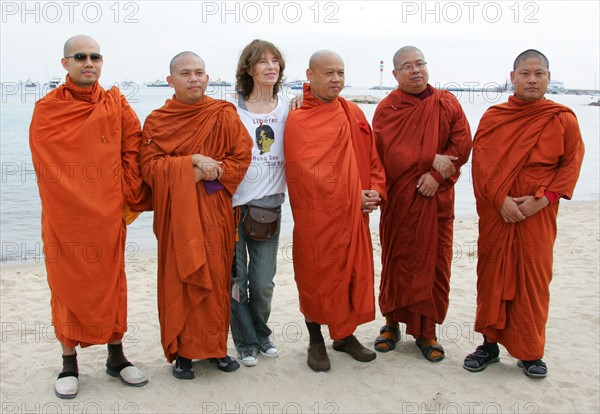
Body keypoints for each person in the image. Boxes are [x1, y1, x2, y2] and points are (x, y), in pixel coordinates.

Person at [29, 34, 152, 399]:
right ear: (64, 63)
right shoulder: (48, 109)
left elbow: (135, 147)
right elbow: (46, 166)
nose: (89, 62)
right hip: (64, 217)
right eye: (80, 56)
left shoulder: (116, 103)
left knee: (112, 285)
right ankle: (69, 363)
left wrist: (124, 196)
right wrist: (71, 201)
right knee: (66, 286)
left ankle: (116, 357)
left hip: (107, 213)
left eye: (95, 57)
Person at [464, 49, 584, 378]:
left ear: (548, 77)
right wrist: (500, 199)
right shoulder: (494, 116)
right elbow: (481, 166)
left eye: (539, 73)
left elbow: (570, 166)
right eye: (525, 73)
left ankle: (530, 352)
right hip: (497, 211)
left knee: (534, 278)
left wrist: (542, 200)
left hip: (538, 213)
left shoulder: (562, 118)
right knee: (492, 275)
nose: (532, 79)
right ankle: (488, 346)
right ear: (512, 77)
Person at [140, 51, 252, 380]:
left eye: (199, 72)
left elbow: (242, 157)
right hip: (178, 215)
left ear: (207, 77)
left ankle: (216, 348)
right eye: (185, 73)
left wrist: (205, 173)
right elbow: (148, 169)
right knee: (179, 280)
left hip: (215, 209)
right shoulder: (158, 120)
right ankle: (183, 353)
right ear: (170, 80)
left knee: (216, 279)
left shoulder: (223, 114)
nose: (193, 78)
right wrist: (191, 161)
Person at [284, 50, 386, 372]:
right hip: (318, 219)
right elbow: (308, 176)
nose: (336, 80)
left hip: (354, 216)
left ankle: (344, 336)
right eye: (328, 73)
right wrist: (351, 197)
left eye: (341, 73)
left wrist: (375, 191)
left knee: (351, 276)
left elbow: (372, 158)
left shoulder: (353, 111)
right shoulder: (299, 118)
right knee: (316, 277)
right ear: (310, 75)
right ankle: (315, 340)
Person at [371, 46, 472, 362]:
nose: (415, 70)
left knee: (434, 265)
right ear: (395, 74)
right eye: (406, 66)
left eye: (420, 64)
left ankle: (427, 332)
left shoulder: (446, 103)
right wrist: (431, 159)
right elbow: (387, 155)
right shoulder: (388, 109)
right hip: (400, 204)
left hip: (436, 203)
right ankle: (390, 325)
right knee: (396, 261)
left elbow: (463, 145)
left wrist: (436, 176)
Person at [225, 39, 289, 367]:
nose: (271, 66)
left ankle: (262, 333)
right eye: (263, 61)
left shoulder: (291, 106)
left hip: (269, 209)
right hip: (231, 208)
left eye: (275, 60)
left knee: (262, 282)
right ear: (249, 69)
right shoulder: (229, 107)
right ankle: (246, 341)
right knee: (235, 283)